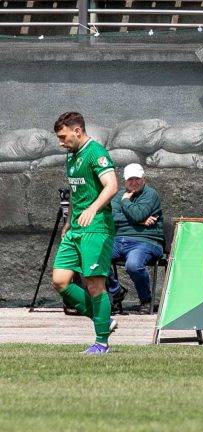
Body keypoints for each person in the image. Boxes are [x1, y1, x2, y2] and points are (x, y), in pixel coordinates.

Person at [50, 112, 119, 355]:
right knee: (59, 280)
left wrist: (93, 208)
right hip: (76, 228)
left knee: (94, 284)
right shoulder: (71, 157)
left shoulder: (96, 152)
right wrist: (68, 222)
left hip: (96, 227)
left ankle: (101, 342)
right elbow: (76, 194)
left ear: (77, 131)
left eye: (63, 136)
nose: (60, 142)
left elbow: (112, 185)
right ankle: (103, 319)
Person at [107, 163, 164, 315]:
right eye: (130, 179)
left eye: (137, 179)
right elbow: (112, 218)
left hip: (146, 241)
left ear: (143, 179)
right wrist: (139, 221)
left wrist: (126, 202)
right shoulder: (118, 195)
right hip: (118, 240)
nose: (134, 182)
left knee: (133, 265)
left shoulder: (150, 194)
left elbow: (138, 214)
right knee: (94, 258)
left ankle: (145, 300)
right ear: (125, 181)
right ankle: (116, 290)